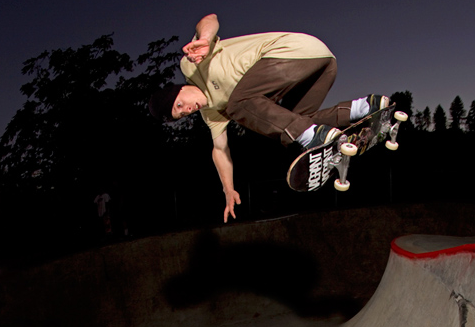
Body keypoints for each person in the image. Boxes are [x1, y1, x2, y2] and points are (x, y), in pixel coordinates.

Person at [149, 14, 388, 223]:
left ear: (179, 90)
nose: (188, 109)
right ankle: (361, 108)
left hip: (294, 53)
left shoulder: (192, 65)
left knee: (240, 104)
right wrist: (228, 189)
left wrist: (205, 38)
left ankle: (312, 136)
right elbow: (220, 149)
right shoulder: (211, 112)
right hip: (323, 65)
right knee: (293, 120)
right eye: (183, 114)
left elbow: (209, 19)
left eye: (181, 105)